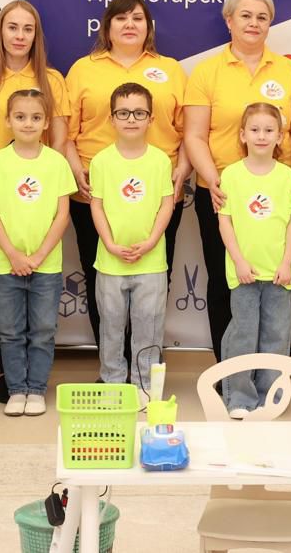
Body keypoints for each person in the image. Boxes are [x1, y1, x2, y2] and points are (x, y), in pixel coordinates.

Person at [185, 0, 291, 362]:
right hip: (222, 193)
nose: (253, 23)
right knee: (225, 278)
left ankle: (273, 374)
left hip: (277, 191)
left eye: (262, 17)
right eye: (245, 15)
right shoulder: (206, 72)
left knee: (278, 282)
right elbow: (194, 135)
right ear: (229, 21)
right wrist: (212, 179)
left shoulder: (288, 70)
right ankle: (228, 375)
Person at [66, 0, 189, 351]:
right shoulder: (83, 69)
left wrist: (182, 171)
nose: (129, 25)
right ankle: (112, 364)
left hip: (159, 192)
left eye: (137, 18)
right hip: (94, 192)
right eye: (121, 18)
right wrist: (76, 169)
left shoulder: (171, 69)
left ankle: (145, 363)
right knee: (100, 278)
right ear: (107, 27)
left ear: (149, 27)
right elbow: (66, 132)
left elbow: (188, 131)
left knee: (155, 277)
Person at [0, 0, 68, 403]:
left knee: (40, 290)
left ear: (36, 35)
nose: (20, 35)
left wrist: (48, 175)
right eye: (12, 27)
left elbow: (59, 136)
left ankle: (34, 379)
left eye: (28, 28)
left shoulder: (52, 80)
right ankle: (4, 373)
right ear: (1, 32)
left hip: (40, 194)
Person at [0, 90, 76, 418]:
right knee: (9, 331)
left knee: (43, 330)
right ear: (8, 120)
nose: (28, 123)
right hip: (6, 265)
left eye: (35, 117)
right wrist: (13, 254)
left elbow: (62, 215)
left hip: (46, 265)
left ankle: (37, 389)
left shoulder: (56, 163)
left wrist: (40, 254)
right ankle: (16, 389)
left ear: (46, 122)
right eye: (20, 117)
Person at [217, 103, 291, 418]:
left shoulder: (286, 176)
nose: (261, 136)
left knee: (276, 336)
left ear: (280, 137)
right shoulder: (231, 175)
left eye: (269, 130)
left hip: (279, 274)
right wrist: (239, 261)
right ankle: (239, 397)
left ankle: (271, 398)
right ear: (243, 135)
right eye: (254, 130)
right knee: (243, 334)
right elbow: (225, 222)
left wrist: (286, 262)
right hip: (244, 273)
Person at [89, 83, 175, 389]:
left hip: (151, 263)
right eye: (123, 113)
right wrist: (110, 244)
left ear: (151, 119)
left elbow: (167, 204)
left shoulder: (160, 160)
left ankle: (145, 387)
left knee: (149, 329)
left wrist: (151, 241)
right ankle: (113, 383)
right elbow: (96, 206)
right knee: (111, 328)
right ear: (111, 118)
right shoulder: (101, 161)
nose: (131, 119)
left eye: (139, 113)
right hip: (110, 262)